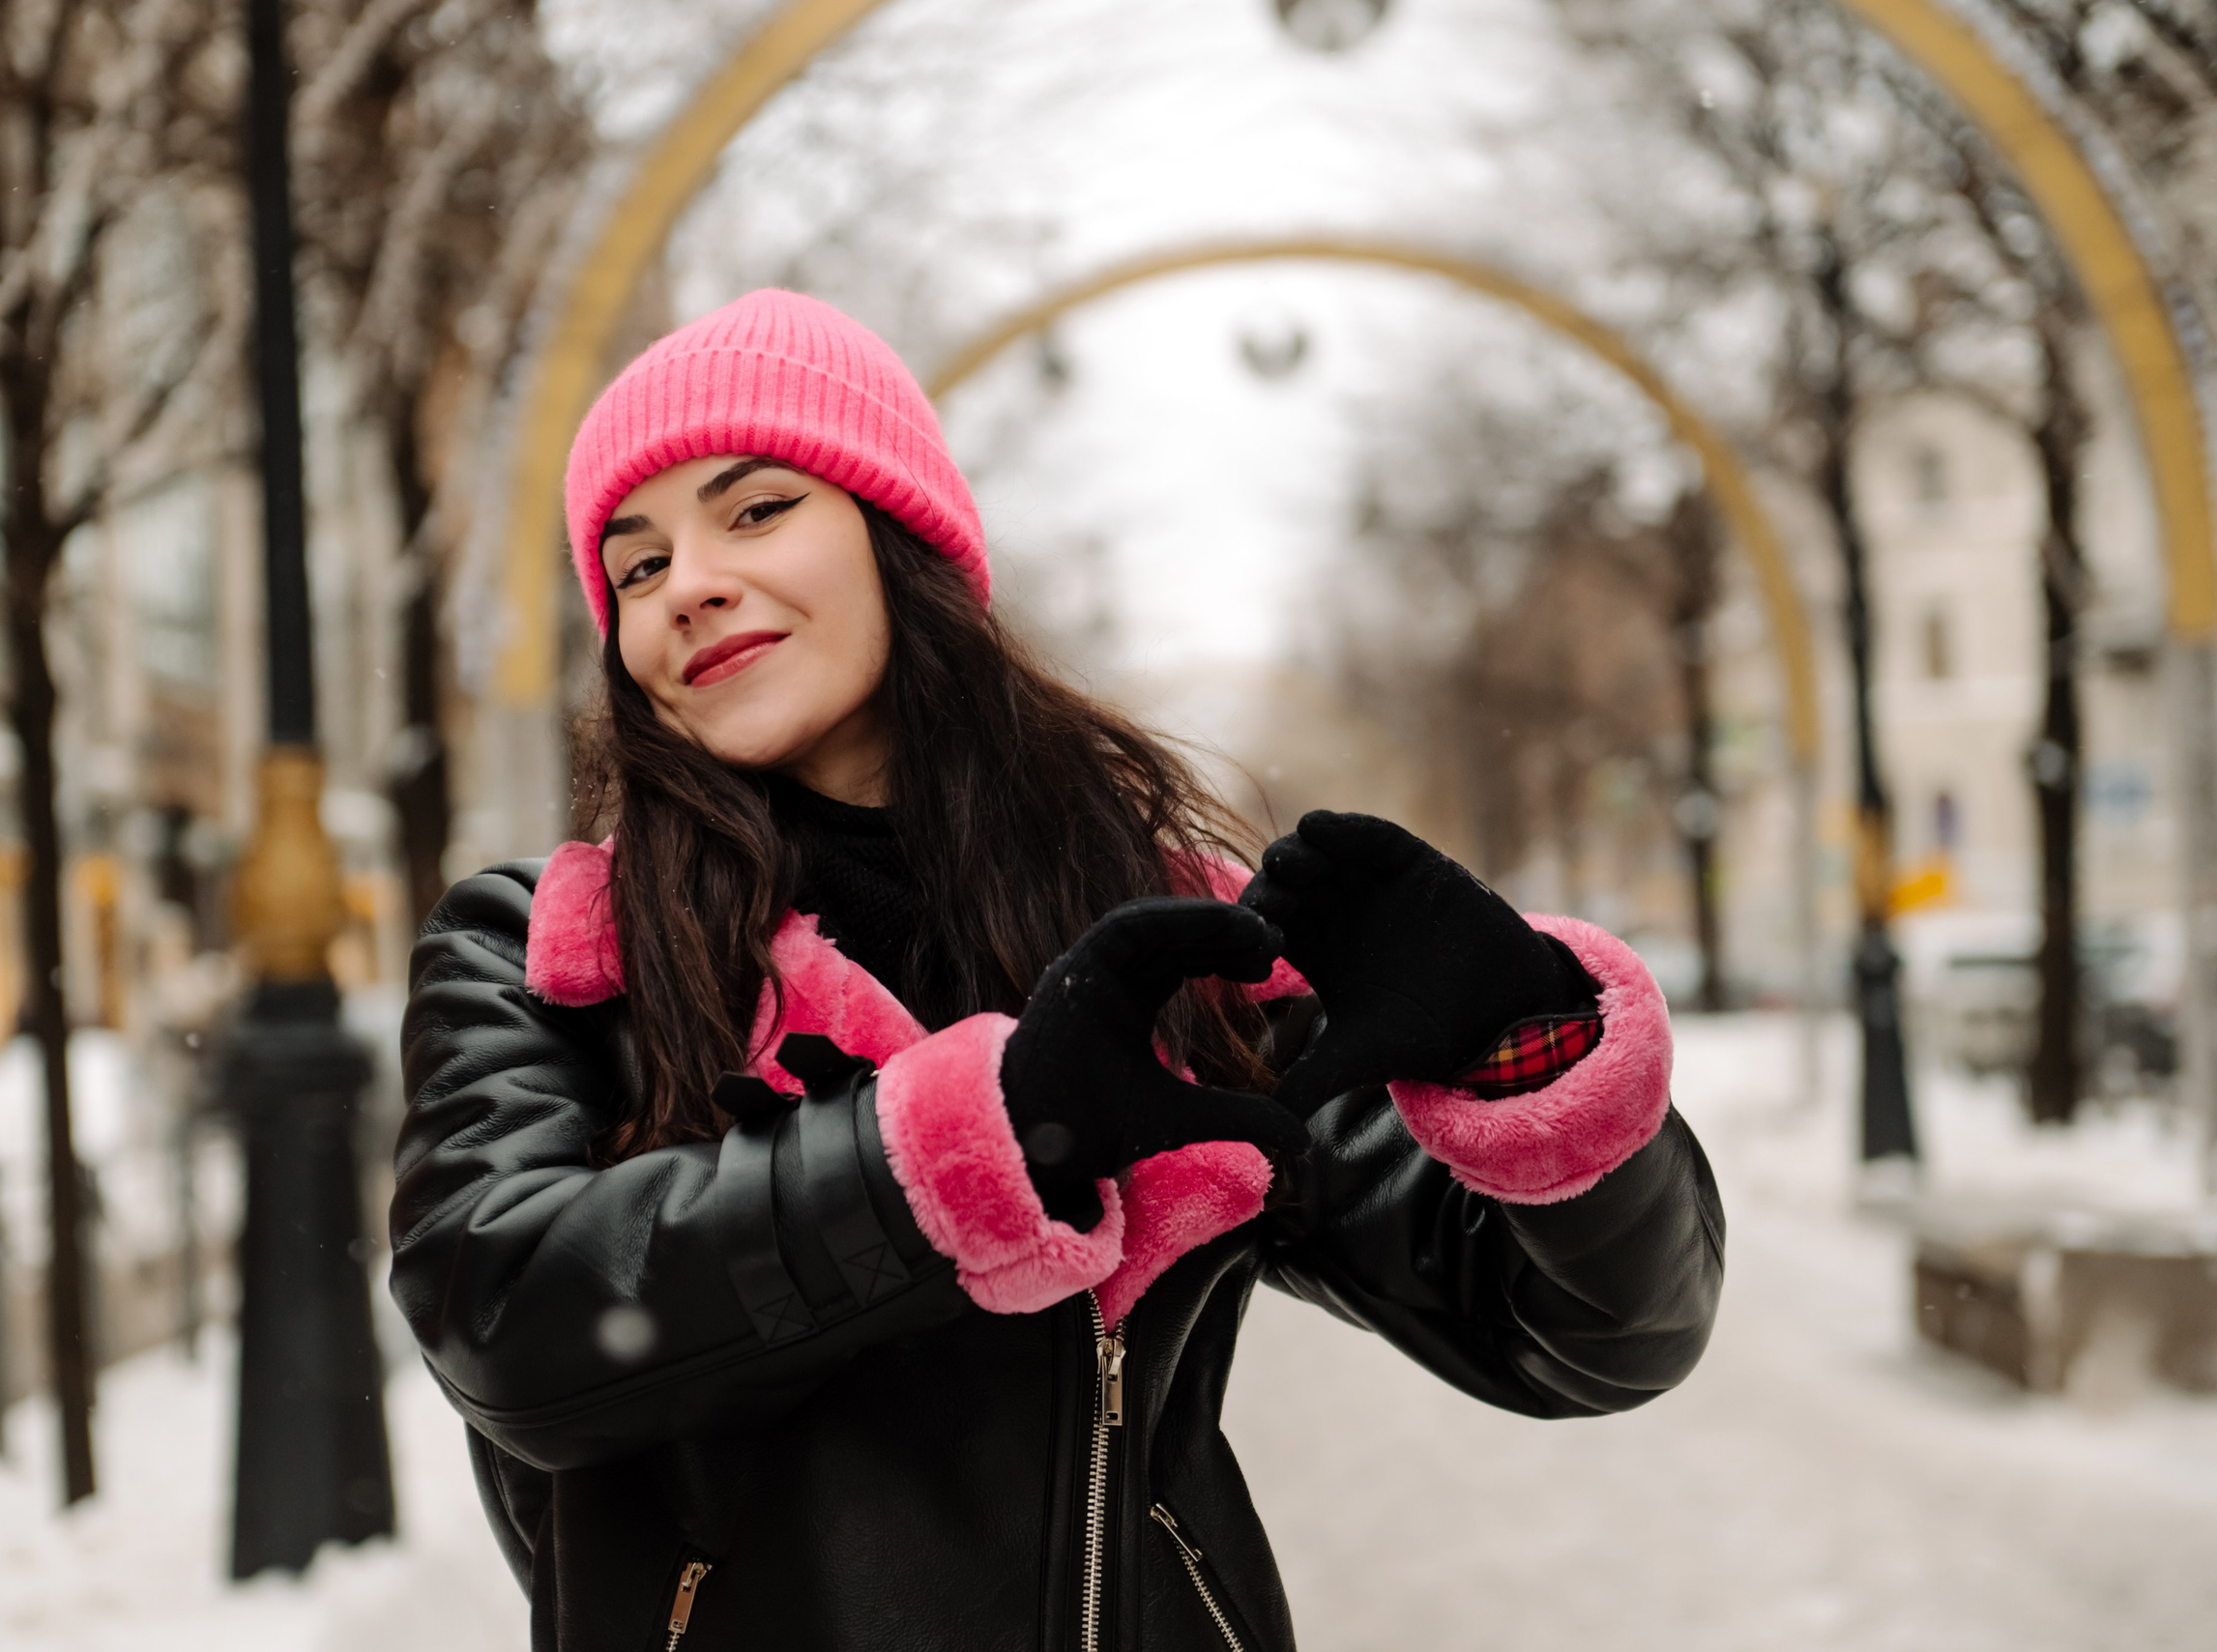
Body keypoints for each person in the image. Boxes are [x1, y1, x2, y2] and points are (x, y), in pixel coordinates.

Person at [394, 289, 1724, 1652]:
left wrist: (1526, 1049)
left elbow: (1595, 1336)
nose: (688, 582)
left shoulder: (1165, 947)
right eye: (635, 564)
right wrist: (973, 1148)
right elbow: (505, 1317)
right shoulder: (547, 952)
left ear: (895, 531)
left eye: (753, 509)